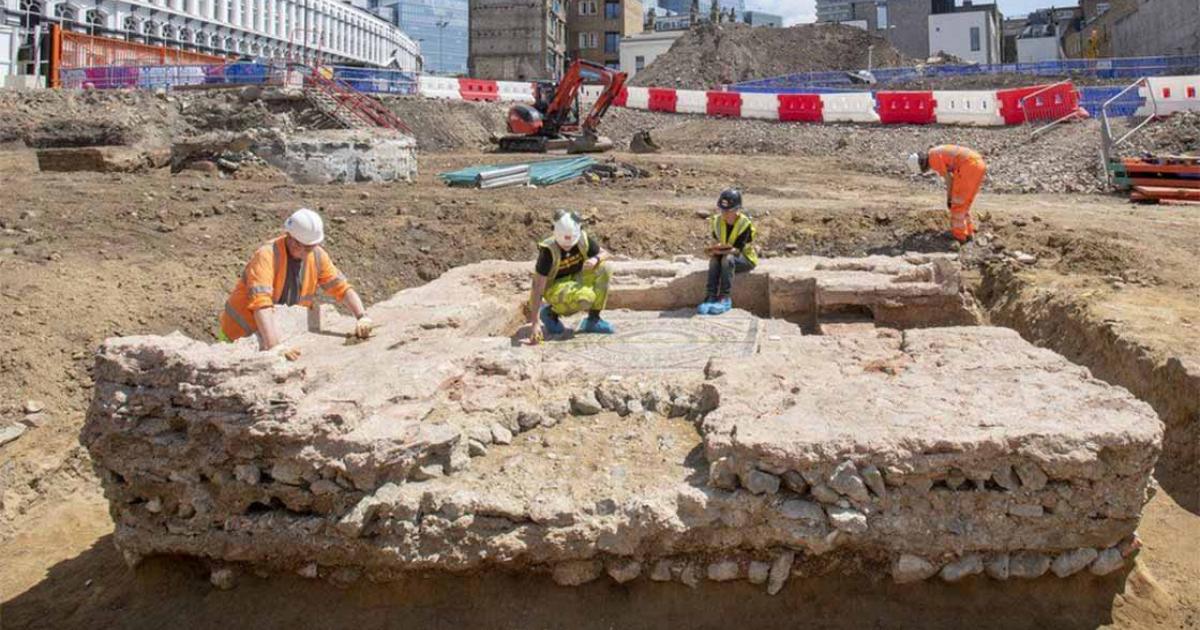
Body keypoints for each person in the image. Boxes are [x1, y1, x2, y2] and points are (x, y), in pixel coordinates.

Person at [219, 208, 373, 354]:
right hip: (238, 335)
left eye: (312, 247)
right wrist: (275, 347)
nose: (310, 252)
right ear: (292, 240)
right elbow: (261, 304)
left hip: (275, 333)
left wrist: (362, 316)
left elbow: (341, 288)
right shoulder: (267, 256)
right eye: (307, 248)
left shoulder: (316, 255)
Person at [528, 210, 614, 343]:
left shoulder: (581, 239)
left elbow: (605, 253)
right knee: (586, 297)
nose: (567, 247)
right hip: (555, 287)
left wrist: (595, 259)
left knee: (605, 268)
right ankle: (551, 314)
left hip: (574, 278)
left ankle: (593, 320)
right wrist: (535, 323)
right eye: (563, 244)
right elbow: (538, 287)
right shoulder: (548, 251)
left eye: (570, 244)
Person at [907, 145, 987, 243]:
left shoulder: (933, 160)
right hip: (978, 165)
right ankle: (968, 232)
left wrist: (949, 198)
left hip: (968, 167)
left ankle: (959, 236)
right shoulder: (934, 152)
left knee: (957, 205)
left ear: (922, 166)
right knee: (964, 203)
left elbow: (949, 180)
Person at [698, 188, 758, 316]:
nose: (724, 214)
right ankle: (711, 296)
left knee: (728, 259)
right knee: (714, 259)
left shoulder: (744, 224)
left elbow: (738, 250)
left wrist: (722, 251)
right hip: (724, 254)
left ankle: (724, 298)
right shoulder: (717, 221)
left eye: (728, 211)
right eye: (722, 210)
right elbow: (716, 240)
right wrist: (714, 249)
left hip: (744, 259)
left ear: (737, 210)